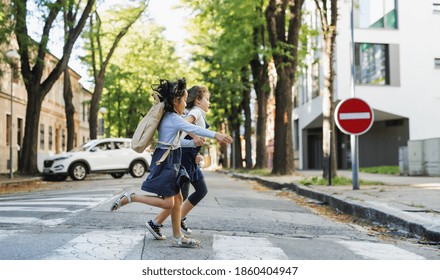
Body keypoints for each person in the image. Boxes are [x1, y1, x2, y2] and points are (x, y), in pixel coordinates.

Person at [110, 78, 232, 248]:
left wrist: (195, 141)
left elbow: (185, 134)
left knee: (179, 198)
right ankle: (132, 197)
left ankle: (177, 236)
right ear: (176, 101)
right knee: (169, 202)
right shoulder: (173, 118)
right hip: (166, 160)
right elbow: (194, 128)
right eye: (184, 100)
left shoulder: (172, 116)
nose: (186, 104)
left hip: (171, 157)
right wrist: (216, 134)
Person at [149, 85, 213, 238]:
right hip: (183, 159)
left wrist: (196, 153)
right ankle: (158, 223)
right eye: (207, 99)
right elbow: (180, 137)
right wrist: (194, 142)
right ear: (198, 100)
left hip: (190, 159)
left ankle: (176, 220)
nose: (209, 103)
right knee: (179, 197)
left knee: (199, 191)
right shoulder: (195, 113)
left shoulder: (196, 113)